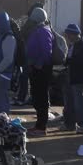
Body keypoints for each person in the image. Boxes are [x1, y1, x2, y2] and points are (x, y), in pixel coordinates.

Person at [26, 8, 53, 137]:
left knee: (41, 98)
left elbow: (47, 52)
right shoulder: (39, 30)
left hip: (41, 70)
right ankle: (39, 125)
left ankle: (42, 127)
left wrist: (37, 64)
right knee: (37, 97)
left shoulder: (43, 31)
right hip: (37, 69)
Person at [60, 23, 83, 134]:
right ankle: (70, 124)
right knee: (69, 101)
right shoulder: (73, 45)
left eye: (69, 34)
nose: (67, 36)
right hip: (71, 76)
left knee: (79, 102)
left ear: (75, 34)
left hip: (78, 78)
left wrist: (70, 61)